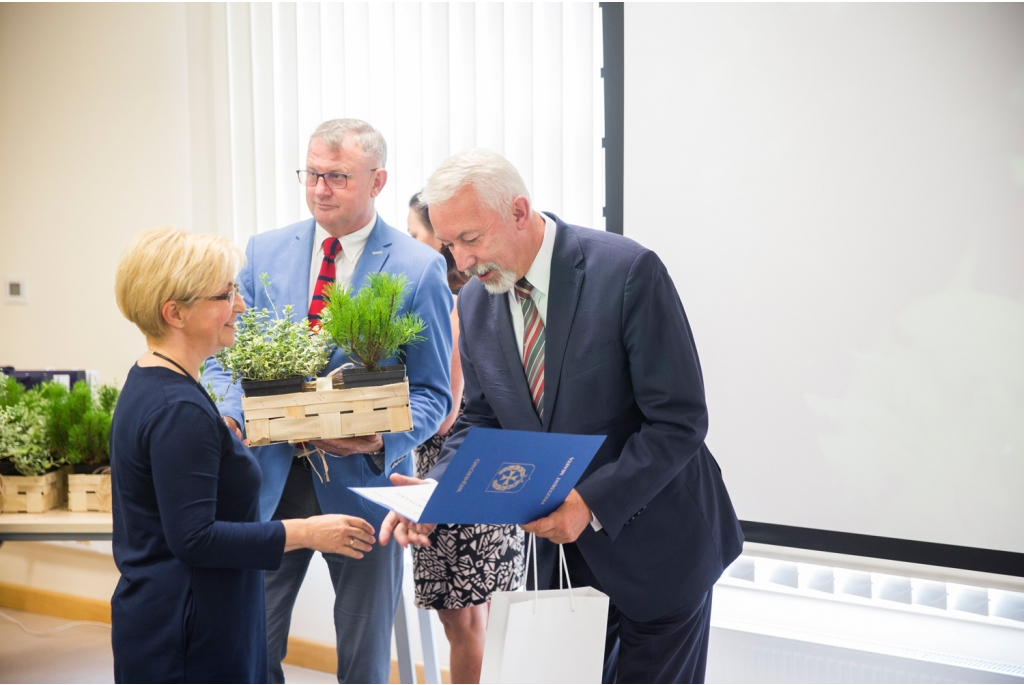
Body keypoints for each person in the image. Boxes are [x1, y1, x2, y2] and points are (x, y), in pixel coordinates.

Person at [381, 150, 745, 684]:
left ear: (520, 211)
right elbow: (481, 419)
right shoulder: (476, 303)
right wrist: (437, 493)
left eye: (471, 239)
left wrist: (590, 503)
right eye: (449, 244)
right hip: (567, 567)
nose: (460, 263)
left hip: (661, 550)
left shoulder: (627, 272)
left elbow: (679, 422)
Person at [201, 119, 453, 684]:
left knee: (362, 662)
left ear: (377, 180)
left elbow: (434, 393)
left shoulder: (418, 268)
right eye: (312, 174)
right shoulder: (265, 251)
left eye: (337, 176)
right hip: (266, 481)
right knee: (251, 649)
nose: (320, 188)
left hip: (363, 485)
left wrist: (381, 438)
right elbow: (221, 356)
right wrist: (232, 412)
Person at [110, 226, 376, 683]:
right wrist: (308, 531)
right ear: (174, 312)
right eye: (224, 295)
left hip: (173, 615)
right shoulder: (179, 410)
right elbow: (195, 539)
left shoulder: (151, 380)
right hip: (191, 632)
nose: (241, 306)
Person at [406, 193, 524, 684]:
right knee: (485, 619)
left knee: (465, 624)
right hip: (486, 468)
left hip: (452, 474)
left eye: (414, 236)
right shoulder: (483, 302)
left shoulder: (456, 311)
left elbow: (447, 415)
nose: (407, 247)